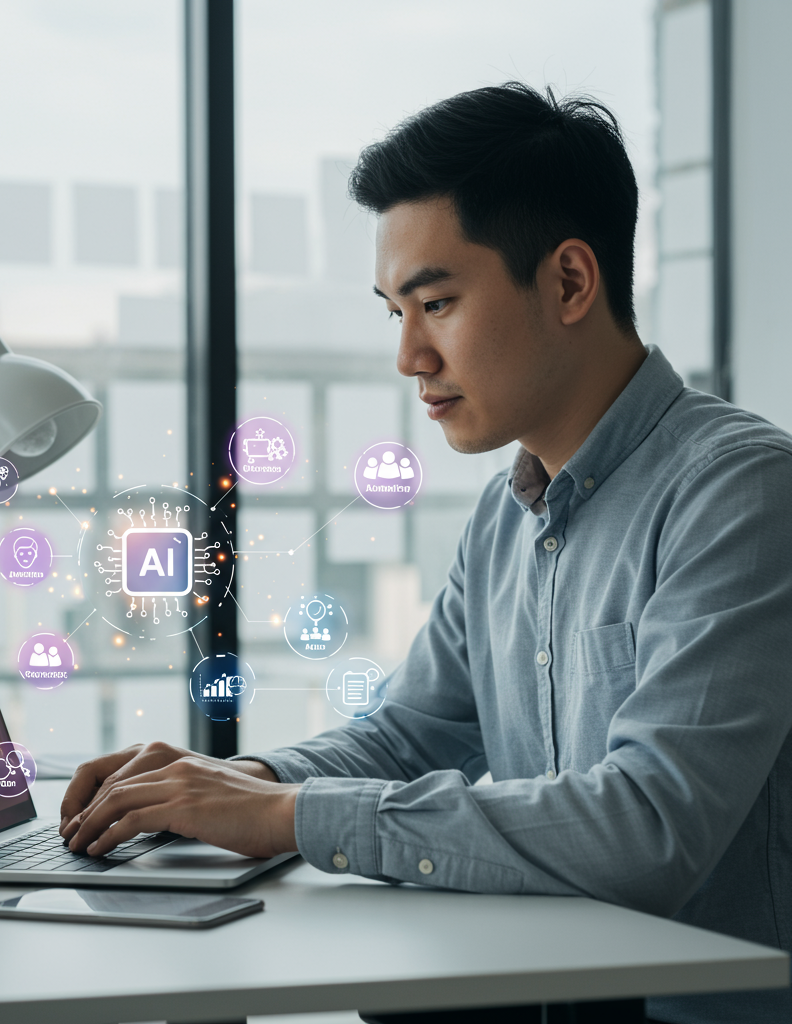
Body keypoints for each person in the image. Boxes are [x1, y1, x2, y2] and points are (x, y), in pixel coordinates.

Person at [59, 83, 792, 1024]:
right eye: (393, 312)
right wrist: (249, 781)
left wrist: (289, 819)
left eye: (435, 303)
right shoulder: (506, 515)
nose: (409, 356)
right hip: (559, 992)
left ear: (570, 281)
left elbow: (648, 827)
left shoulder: (740, 492)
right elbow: (409, 734)